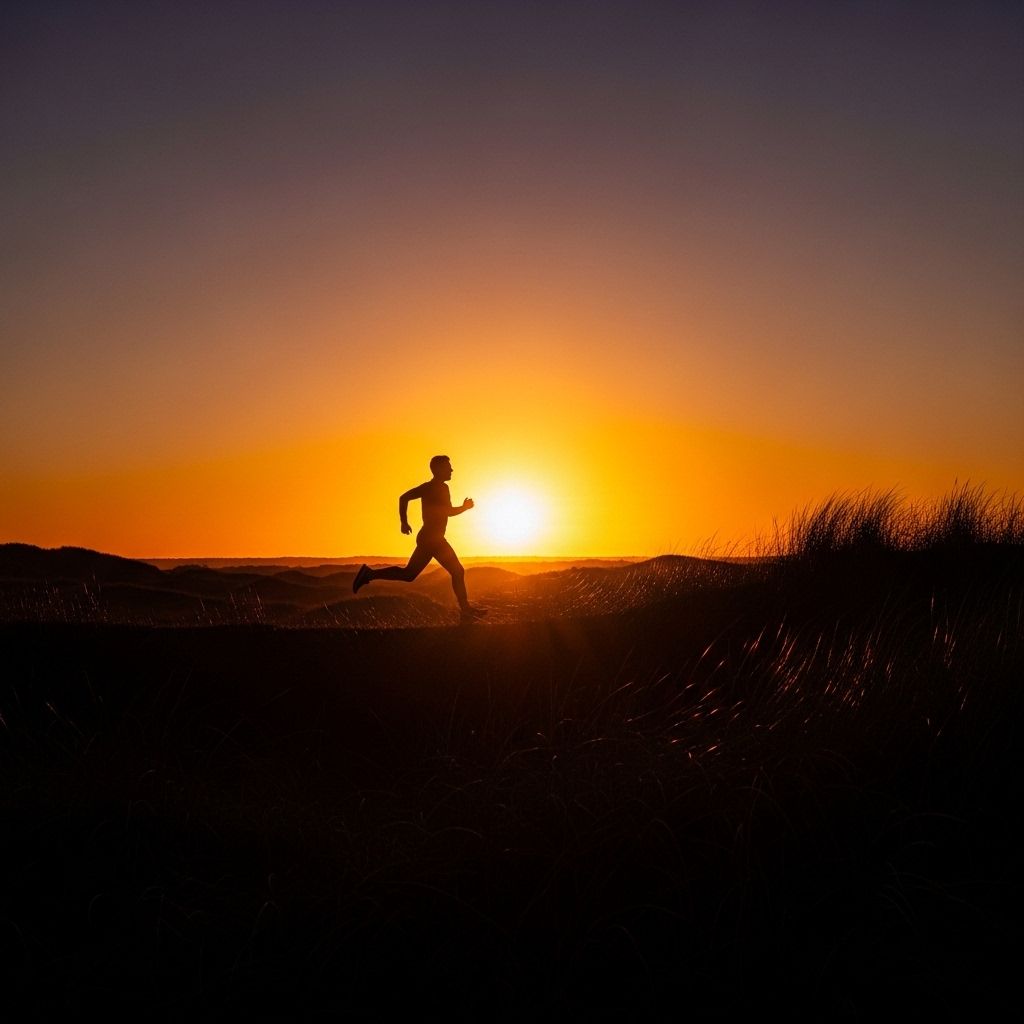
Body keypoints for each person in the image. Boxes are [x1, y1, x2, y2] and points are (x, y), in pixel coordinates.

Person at [352, 455, 487, 621]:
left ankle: (369, 574)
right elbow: (407, 499)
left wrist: (405, 522)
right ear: (438, 469)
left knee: (411, 574)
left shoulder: (442, 488)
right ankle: (466, 610)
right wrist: (404, 522)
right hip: (431, 539)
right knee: (454, 571)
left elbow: (444, 510)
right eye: (448, 467)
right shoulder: (430, 488)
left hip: (433, 539)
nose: (451, 470)